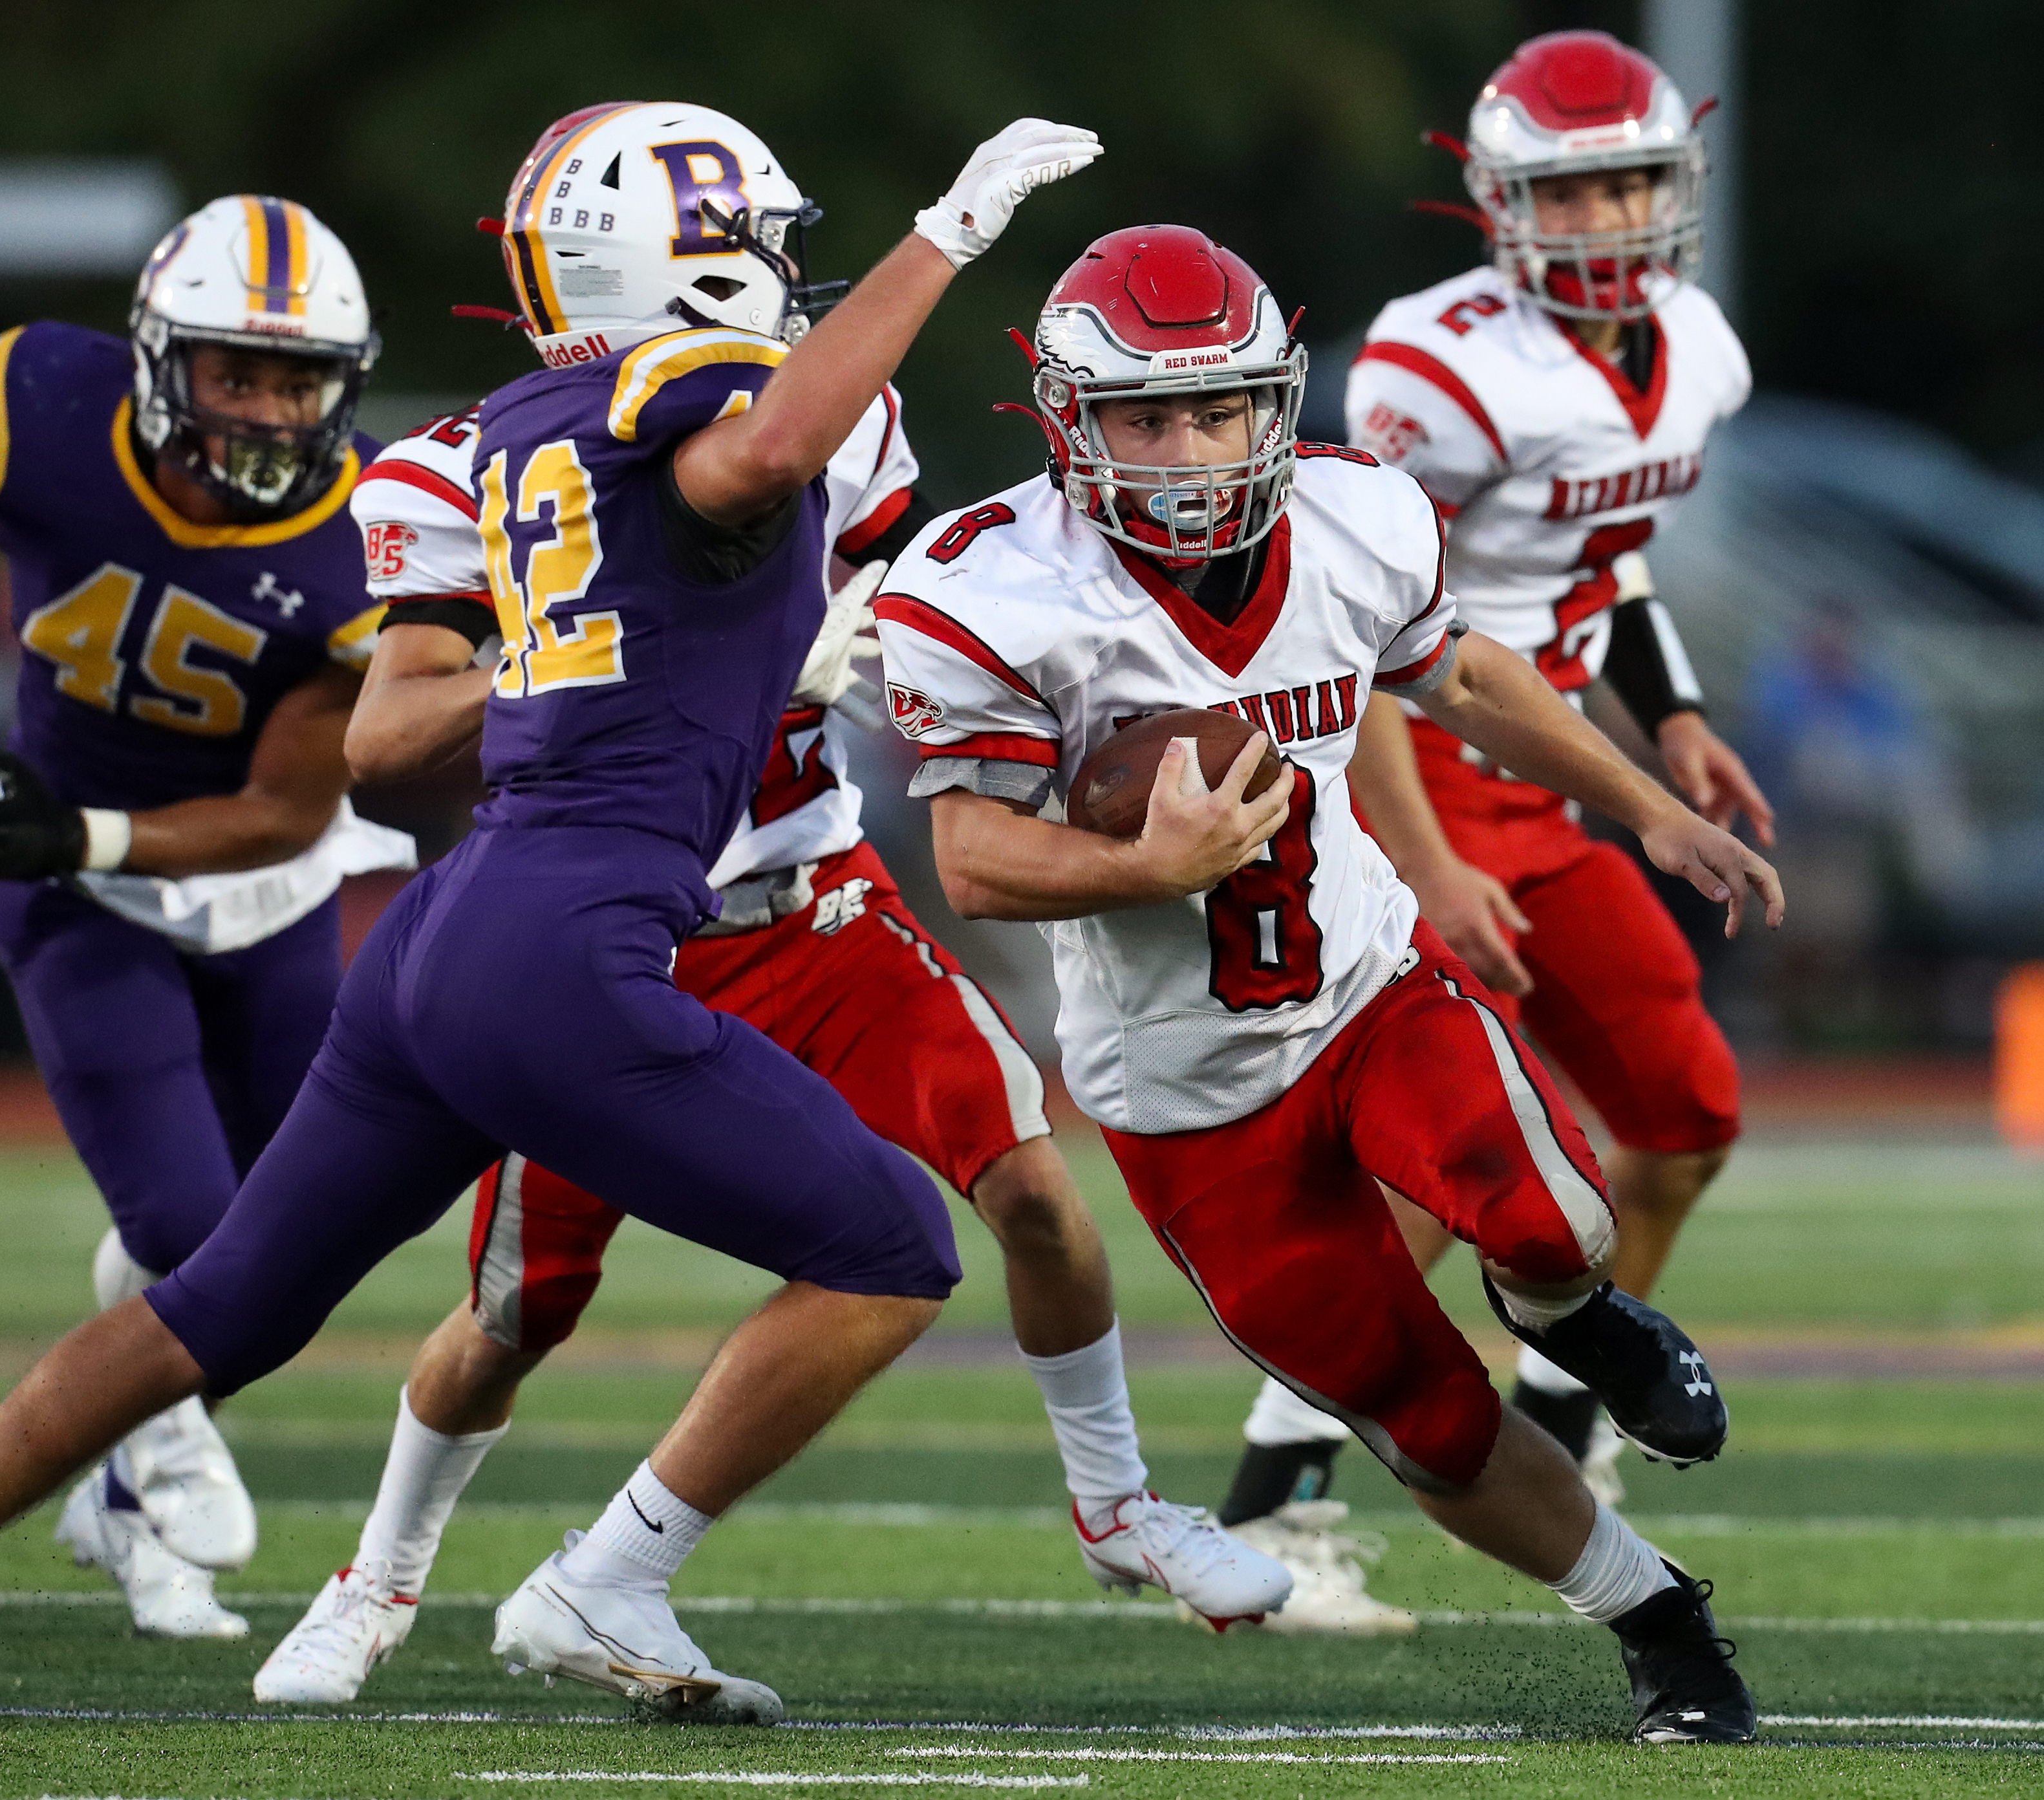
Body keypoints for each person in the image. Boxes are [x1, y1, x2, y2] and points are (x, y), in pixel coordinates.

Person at [0, 104, 1100, 1725]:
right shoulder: (712, 398)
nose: (785, 274)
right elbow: (762, 453)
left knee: (224, 1307)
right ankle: (603, 1580)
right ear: (679, 269)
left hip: (442, 930)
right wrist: (949, 233)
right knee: (893, 1253)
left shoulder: (534, 420)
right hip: (573, 936)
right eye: (757, 243)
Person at [252, 363, 1284, 1702]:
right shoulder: (491, 475)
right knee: (518, 1308)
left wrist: (896, 659)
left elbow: (921, 632)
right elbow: (397, 738)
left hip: (814, 905)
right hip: (608, 947)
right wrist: (642, 651)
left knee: (1029, 1180)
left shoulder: (824, 435)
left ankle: (1118, 1504)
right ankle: (375, 1586)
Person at [876, 222, 1778, 1743]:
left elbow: (1471, 677)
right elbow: (971, 861)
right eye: (1145, 415)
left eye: (1217, 407)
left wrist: (1648, 803)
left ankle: (1576, 1314)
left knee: (1553, 1213)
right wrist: (1142, 871)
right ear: (1065, 419)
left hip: (1368, 993)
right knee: (1423, 1420)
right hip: (1179, 1092)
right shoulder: (991, 586)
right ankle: (1656, 1616)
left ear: (1272, 403)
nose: (1186, 448)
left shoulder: (1358, 516)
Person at [0, 195, 411, 1640]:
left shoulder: (358, 540)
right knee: (195, 1228)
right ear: (155, 361)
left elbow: (289, 809)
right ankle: (140, 1451)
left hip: (257, 880)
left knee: (282, 1251)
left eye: (297, 378)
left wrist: (85, 825)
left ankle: (124, 1468)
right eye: (234, 372)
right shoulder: (46, 418)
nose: (268, 407)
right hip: (70, 884)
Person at [1217, 28, 1778, 1529]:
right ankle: (1279, 1494)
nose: (1606, 223)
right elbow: (1371, 618)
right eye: (1572, 193)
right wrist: (1426, 861)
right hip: (1428, 774)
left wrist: (1674, 717)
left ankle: (1564, 1406)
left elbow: (1607, 549)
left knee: (1684, 1118)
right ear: (1503, 203)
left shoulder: (1698, 352)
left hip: (1554, 779)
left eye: (1631, 186)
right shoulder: (1436, 369)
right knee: (1444, 1167)